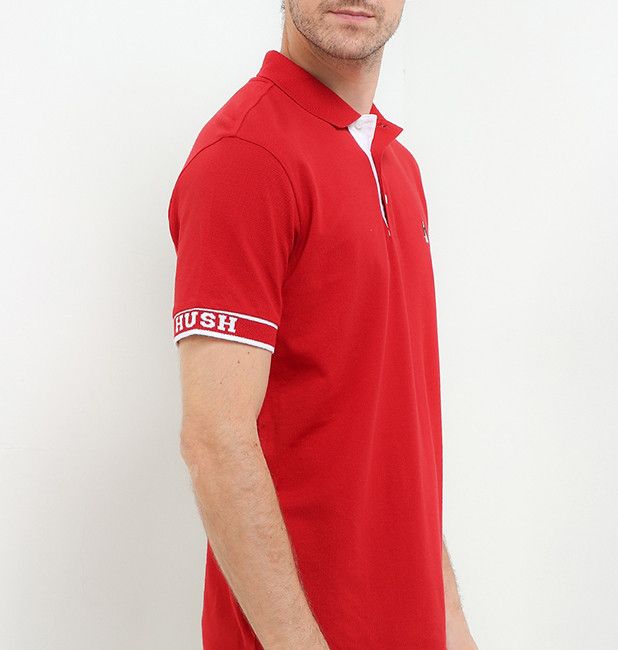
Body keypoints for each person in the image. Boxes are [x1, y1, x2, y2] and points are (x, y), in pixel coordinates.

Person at [168, 1, 478, 648]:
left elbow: (397, 435)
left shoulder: (397, 164)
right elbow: (215, 440)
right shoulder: (245, 156)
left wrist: (452, 628)